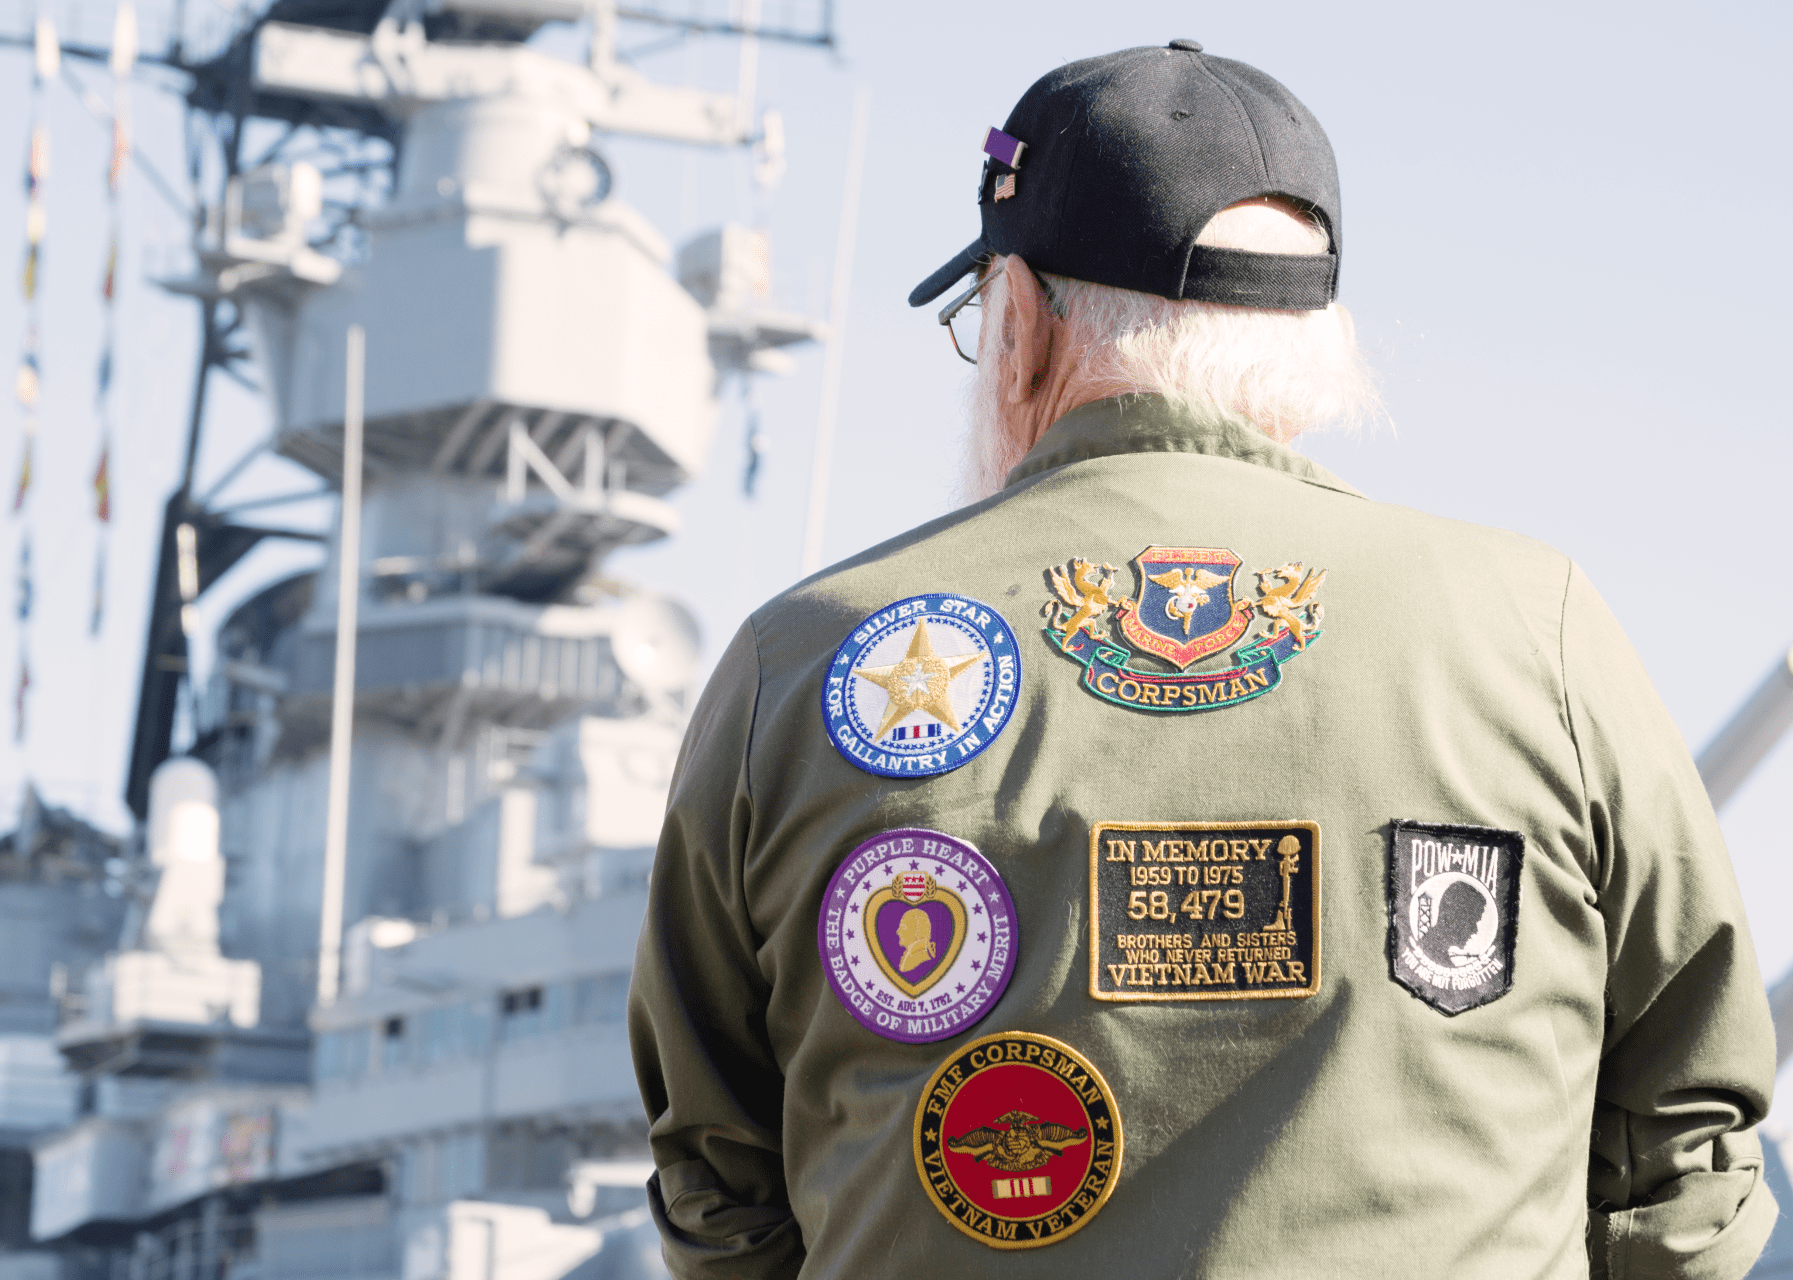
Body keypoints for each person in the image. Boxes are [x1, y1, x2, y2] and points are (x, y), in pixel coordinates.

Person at [628, 40, 1776, 1278]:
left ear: (1016, 326)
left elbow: (716, 1179)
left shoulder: (799, 662)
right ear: (1320, 343)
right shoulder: (1537, 630)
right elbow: (1685, 1154)